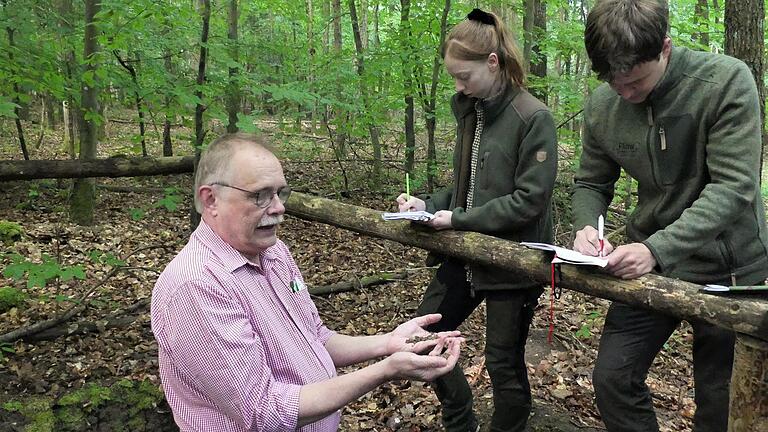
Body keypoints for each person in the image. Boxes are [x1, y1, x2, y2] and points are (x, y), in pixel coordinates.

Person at [151, 132, 464, 432]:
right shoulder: (196, 286)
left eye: (280, 193)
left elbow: (314, 338)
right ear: (211, 200)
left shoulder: (272, 253)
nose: (278, 207)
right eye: (261, 195)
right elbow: (264, 413)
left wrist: (387, 343)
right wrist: (387, 370)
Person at [571, 1, 768, 431]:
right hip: (647, 266)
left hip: (731, 268)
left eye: (635, 82)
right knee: (613, 379)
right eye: (611, 80)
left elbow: (734, 187)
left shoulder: (725, 82)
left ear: (665, 48)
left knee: (721, 401)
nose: (623, 92)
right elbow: (590, 183)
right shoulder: (604, 106)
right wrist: (585, 226)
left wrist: (655, 249)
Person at [396, 8, 558, 432]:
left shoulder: (533, 117)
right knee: (423, 338)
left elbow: (529, 201)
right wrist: (428, 204)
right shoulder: (474, 110)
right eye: (453, 76)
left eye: (463, 76)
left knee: (502, 362)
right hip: (464, 251)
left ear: (492, 63)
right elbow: (468, 186)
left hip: (512, 263)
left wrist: (459, 218)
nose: (458, 85)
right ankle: (460, 419)